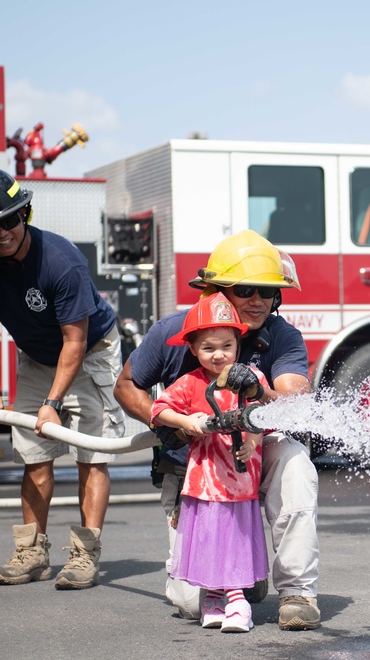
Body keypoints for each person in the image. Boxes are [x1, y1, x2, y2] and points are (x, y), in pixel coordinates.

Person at [114, 230, 321, 630]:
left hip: (253, 455)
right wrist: (163, 425)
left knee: (295, 461)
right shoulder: (177, 332)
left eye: (268, 291)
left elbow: (296, 402)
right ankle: (241, 576)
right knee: (192, 603)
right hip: (196, 468)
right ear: (215, 290)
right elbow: (126, 386)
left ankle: (297, 592)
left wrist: (258, 390)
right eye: (246, 289)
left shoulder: (282, 336)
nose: (259, 300)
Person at [0, 167, 124, 590]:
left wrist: (54, 402)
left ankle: (85, 555)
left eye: (9, 220)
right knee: (34, 456)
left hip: (90, 354)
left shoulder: (61, 261)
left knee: (91, 455)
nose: (3, 233)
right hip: (37, 358)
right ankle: (32, 552)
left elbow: (75, 340)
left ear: (24, 213)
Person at [150, 292, 270, 633]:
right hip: (203, 482)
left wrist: (251, 441)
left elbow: (262, 415)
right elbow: (158, 409)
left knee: (233, 539)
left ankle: (237, 600)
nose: (218, 355)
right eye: (208, 348)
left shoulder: (251, 380)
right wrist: (187, 423)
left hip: (239, 481)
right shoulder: (190, 384)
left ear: (238, 345)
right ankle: (215, 599)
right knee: (208, 539)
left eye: (226, 346)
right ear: (192, 349)